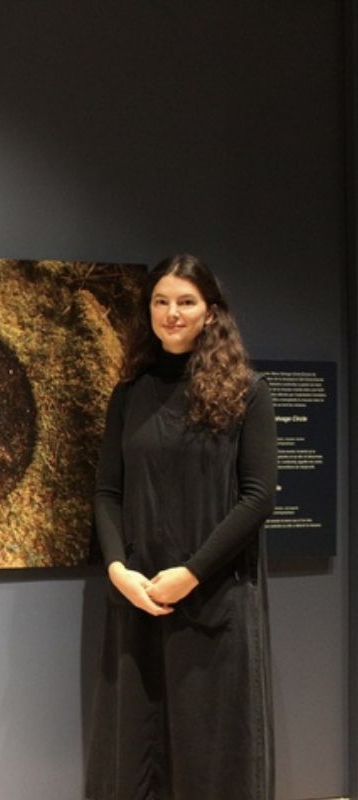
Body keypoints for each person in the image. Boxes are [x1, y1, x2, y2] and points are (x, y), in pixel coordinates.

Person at [84, 254, 277, 800]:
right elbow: (108, 492)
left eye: (185, 302)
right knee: (141, 753)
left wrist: (191, 574)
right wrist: (119, 569)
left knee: (213, 755)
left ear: (210, 311)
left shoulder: (247, 393)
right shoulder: (129, 395)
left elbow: (258, 497)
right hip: (140, 599)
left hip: (216, 601)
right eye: (161, 302)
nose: (172, 314)